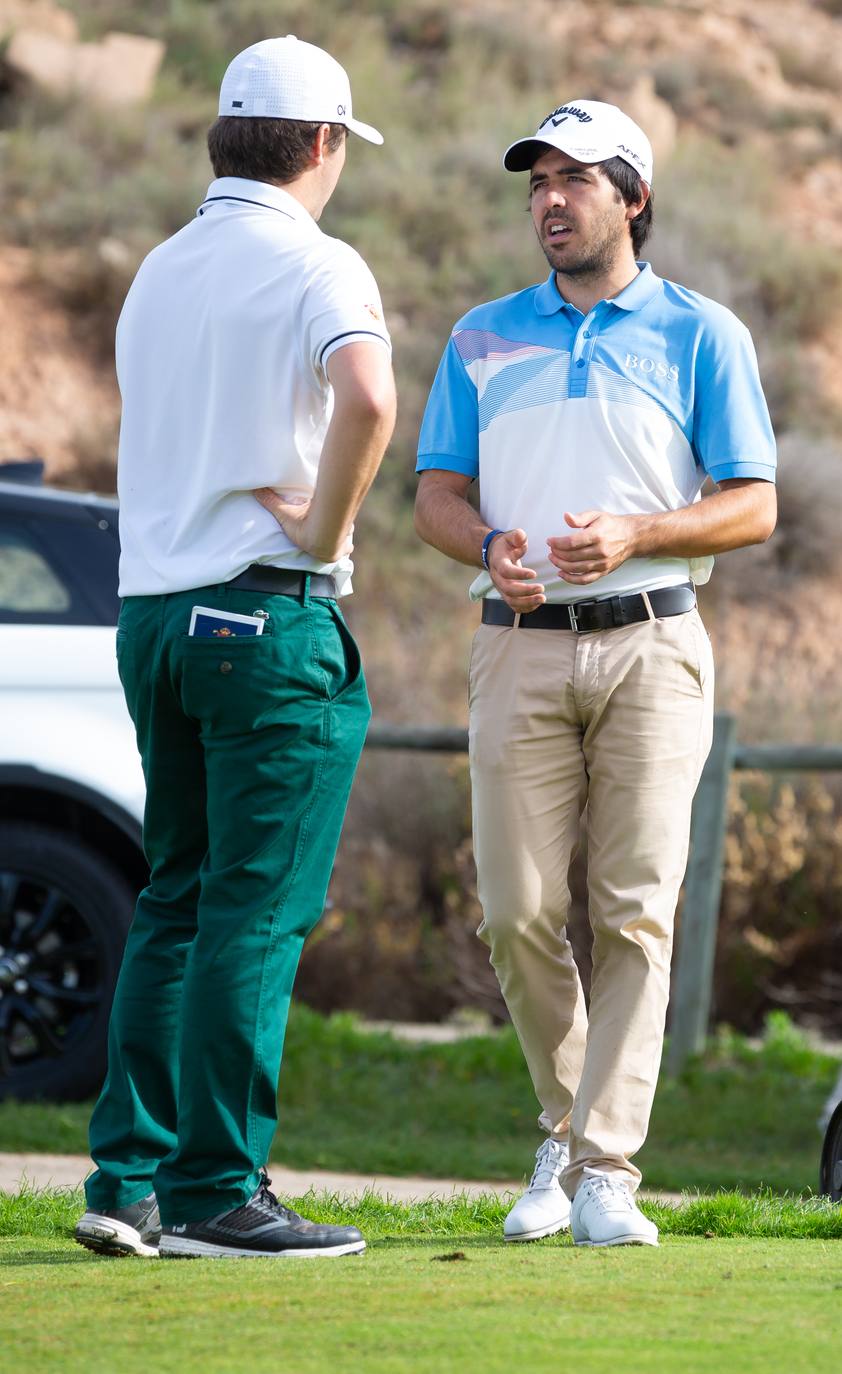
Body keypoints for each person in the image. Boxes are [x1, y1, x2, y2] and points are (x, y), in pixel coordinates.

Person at [414, 100, 776, 1247]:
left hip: (653, 643)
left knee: (632, 913)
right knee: (515, 914)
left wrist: (637, 533)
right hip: (514, 645)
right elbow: (433, 492)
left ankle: (603, 1172)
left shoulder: (701, 332)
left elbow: (753, 504)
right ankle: (567, 1135)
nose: (549, 200)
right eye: (536, 182)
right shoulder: (478, 335)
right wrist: (486, 548)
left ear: (632, 198)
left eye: (575, 179)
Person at [74, 36, 396, 1261]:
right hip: (262, 618)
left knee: (176, 897)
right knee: (253, 915)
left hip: (153, 620)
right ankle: (217, 1191)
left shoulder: (158, 267)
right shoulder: (318, 263)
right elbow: (366, 397)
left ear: (225, 136)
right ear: (321, 145)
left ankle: (128, 1182)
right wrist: (325, 525)